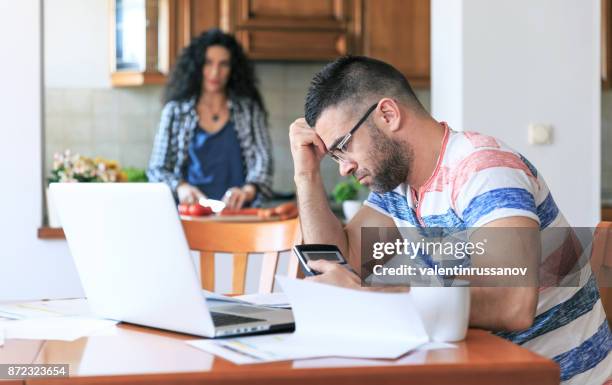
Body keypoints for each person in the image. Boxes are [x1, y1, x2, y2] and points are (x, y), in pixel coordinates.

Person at [289, 55, 611, 384]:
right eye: (335, 157)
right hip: (481, 369)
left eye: (344, 147)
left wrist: (369, 297)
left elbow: (512, 302)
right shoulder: (397, 188)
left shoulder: (483, 168)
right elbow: (339, 265)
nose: (344, 168)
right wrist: (306, 174)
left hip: (560, 377)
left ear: (388, 114)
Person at [147, 29, 273, 209]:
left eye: (224, 64)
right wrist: (181, 187)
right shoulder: (175, 112)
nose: (215, 72)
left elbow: (264, 164)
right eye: (208, 63)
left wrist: (247, 191)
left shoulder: (249, 111)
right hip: (189, 216)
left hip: (239, 217)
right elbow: (157, 169)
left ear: (233, 69)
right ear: (197, 66)